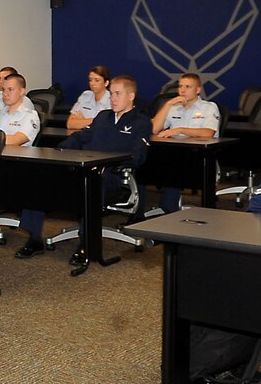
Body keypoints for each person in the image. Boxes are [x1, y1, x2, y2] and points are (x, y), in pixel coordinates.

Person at [16, 76, 152, 263]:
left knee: (92, 182)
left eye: (118, 94)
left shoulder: (141, 122)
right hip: (86, 167)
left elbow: (138, 157)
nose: (113, 98)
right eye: (111, 94)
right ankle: (34, 238)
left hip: (113, 176)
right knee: (41, 177)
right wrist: (59, 151)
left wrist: (106, 164)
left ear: (131, 96)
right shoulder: (103, 116)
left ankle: (87, 242)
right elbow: (80, 137)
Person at [151, 73, 220, 213]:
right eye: (180, 86)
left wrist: (179, 130)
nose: (182, 90)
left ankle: (169, 208)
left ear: (198, 90)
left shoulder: (209, 107)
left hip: (199, 157)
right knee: (143, 163)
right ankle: (138, 213)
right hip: (173, 155)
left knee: (175, 168)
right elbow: (153, 129)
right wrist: (168, 104)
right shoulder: (173, 108)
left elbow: (209, 132)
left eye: (188, 87)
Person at [0, 73, 40, 146]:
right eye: (4, 90)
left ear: (22, 91)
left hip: (13, 156)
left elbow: (15, 140)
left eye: (10, 89)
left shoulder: (30, 116)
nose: (5, 94)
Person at [66, 66, 111, 130]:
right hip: (82, 137)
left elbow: (106, 126)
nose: (92, 83)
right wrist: (94, 122)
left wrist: (82, 120)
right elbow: (70, 124)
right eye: (90, 80)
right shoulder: (85, 96)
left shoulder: (112, 99)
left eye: (97, 80)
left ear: (106, 83)